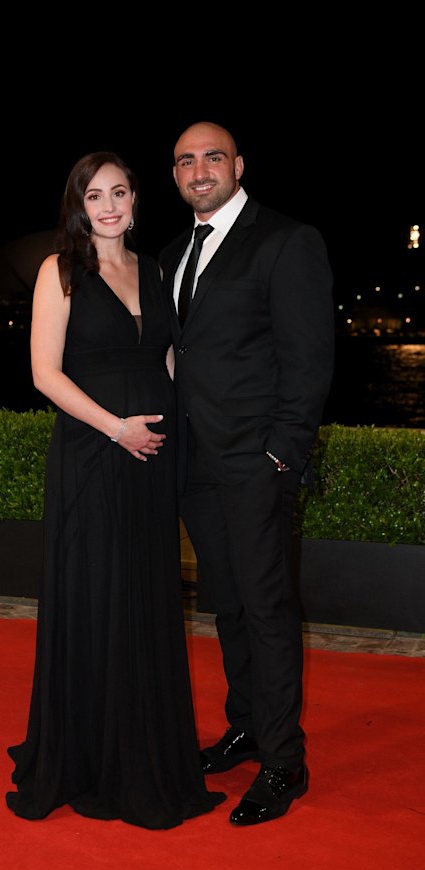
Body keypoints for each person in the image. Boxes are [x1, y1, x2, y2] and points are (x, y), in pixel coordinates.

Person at [5, 151, 225, 830]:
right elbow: (45, 372)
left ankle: (146, 750)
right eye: (94, 195)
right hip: (93, 458)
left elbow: (161, 355)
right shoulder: (59, 271)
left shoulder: (154, 268)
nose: (108, 206)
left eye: (119, 192)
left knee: (144, 598)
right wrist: (115, 429)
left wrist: (182, 434)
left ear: (134, 200)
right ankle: (89, 757)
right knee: (97, 596)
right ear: (78, 204)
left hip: (151, 460)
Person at [159, 122, 334, 827]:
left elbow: (309, 359)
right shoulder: (174, 253)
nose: (199, 170)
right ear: (174, 176)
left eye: (212, 157)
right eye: (185, 161)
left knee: (266, 609)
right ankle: (248, 725)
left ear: (237, 165)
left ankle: (285, 759)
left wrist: (281, 453)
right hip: (195, 462)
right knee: (226, 603)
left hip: (256, 462)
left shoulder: (288, 241)